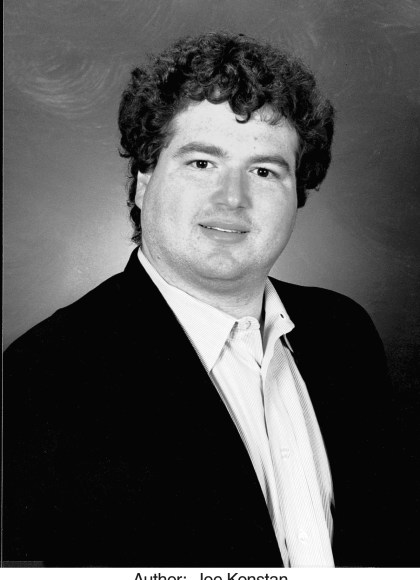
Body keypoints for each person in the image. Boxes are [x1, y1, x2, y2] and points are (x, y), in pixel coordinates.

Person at [3, 31, 397, 567]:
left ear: (298, 195)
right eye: (202, 164)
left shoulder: (344, 333)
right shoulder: (41, 379)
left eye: (264, 171)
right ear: (144, 181)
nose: (232, 199)